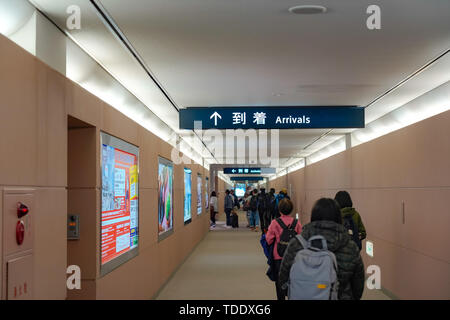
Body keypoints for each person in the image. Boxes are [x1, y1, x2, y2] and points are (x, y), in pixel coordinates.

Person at [279, 198, 365, 300]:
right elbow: (358, 286)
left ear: (313, 217)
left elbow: (283, 278)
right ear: (339, 217)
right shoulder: (350, 247)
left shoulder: (297, 244)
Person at [266, 198, 302, 300]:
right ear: (291, 209)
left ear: (279, 210)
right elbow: (301, 239)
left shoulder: (274, 223)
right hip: (293, 257)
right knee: (293, 281)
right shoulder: (297, 223)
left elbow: (268, 240)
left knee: (279, 282)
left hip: (278, 257)